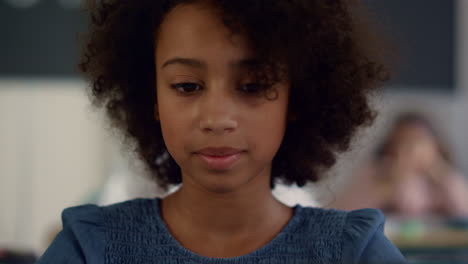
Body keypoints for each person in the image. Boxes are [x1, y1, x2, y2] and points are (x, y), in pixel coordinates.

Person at [38, 0, 406, 263]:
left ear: (297, 99)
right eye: (186, 86)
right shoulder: (91, 248)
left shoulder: (350, 252)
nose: (216, 117)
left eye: (251, 86)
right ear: (151, 96)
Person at [330, 113, 468, 218]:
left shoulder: (444, 175)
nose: (409, 150)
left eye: (418, 142)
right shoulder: (376, 172)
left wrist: (439, 172)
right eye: (402, 142)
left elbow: (463, 210)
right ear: (390, 146)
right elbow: (346, 213)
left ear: (436, 146)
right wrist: (390, 186)